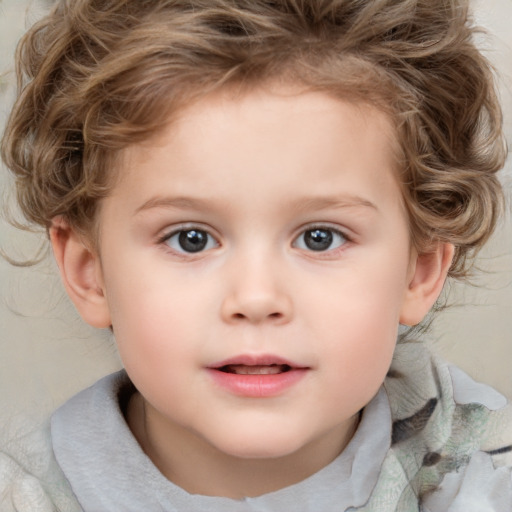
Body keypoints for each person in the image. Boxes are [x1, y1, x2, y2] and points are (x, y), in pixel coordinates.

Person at [1, 0, 511, 510]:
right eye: (190, 238)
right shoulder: (27, 494)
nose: (256, 298)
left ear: (418, 270)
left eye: (320, 237)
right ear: (90, 273)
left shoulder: (478, 464)